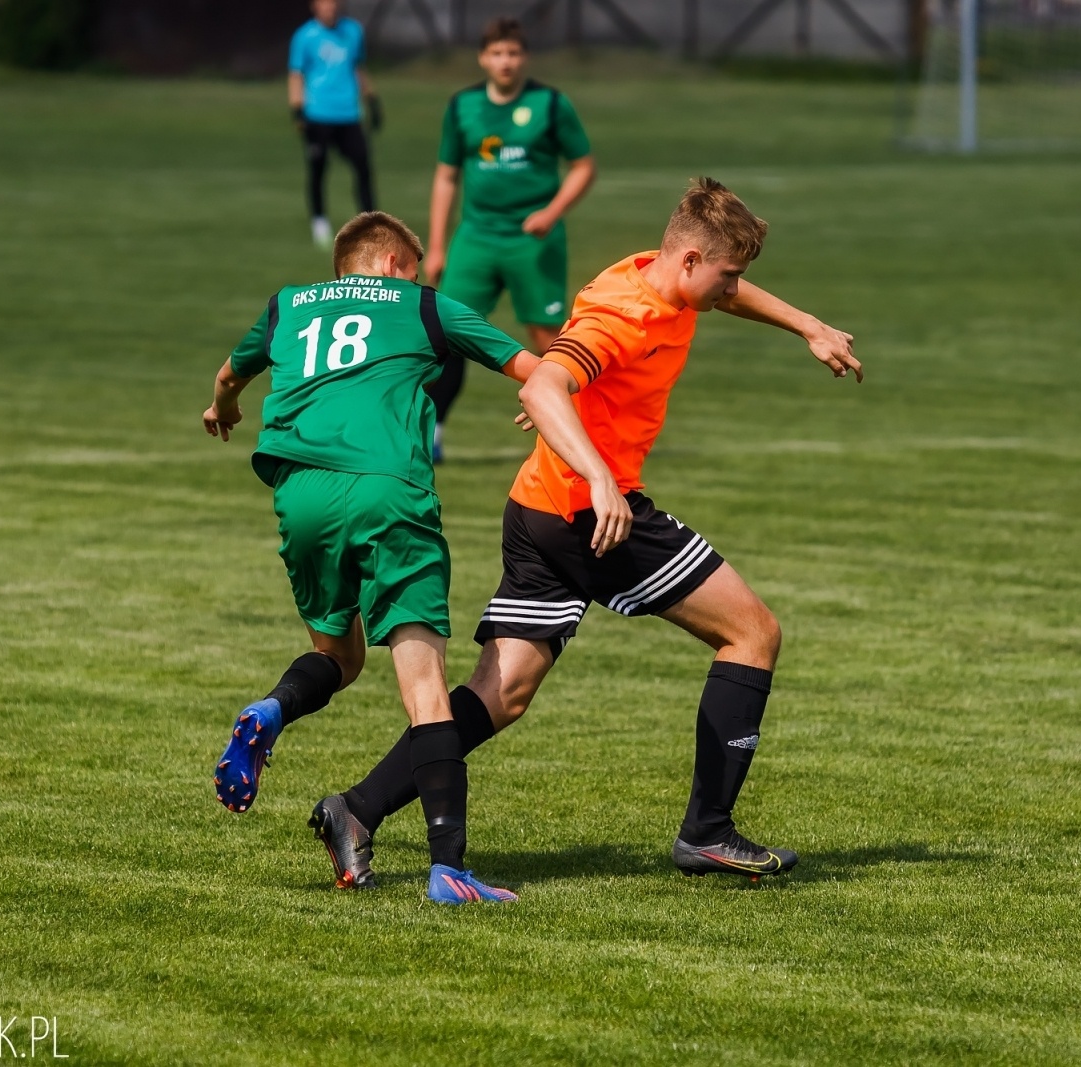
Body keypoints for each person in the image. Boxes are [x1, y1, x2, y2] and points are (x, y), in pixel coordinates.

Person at [312, 178, 860, 890]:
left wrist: (808, 325)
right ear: (690, 260)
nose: (734, 289)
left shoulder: (658, 273)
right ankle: (708, 832)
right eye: (728, 273)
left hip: (537, 506)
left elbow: (702, 304)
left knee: (503, 692)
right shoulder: (624, 314)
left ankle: (356, 808)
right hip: (591, 514)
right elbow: (541, 387)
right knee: (752, 633)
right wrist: (598, 472)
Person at [202, 211, 537, 904]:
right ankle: (449, 869)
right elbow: (530, 365)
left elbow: (228, 376)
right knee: (425, 686)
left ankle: (272, 709)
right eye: (412, 270)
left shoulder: (288, 304)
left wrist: (224, 410)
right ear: (389, 264)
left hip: (301, 494)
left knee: (339, 656)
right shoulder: (421, 305)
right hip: (388, 490)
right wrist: (545, 399)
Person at [422, 16, 597, 462]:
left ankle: (585, 432)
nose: (505, 62)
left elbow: (583, 166)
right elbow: (446, 176)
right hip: (476, 237)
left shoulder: (550, 104)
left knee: (548, 338)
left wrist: (551, 212)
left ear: (525, 58)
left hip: (532, 241)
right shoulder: (462, 106)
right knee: (447, 333)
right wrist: (437, 246)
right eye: (497, 53)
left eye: (513, 53)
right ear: (483, 58)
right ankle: (432, 432)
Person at [289, 0, 382, 249]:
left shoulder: (352, 31)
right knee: (318, 168)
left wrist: (371, 99)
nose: (329, 7)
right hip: (318, 113)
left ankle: (369, 223)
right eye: (324, 3)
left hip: (348, 113)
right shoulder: (304, 36)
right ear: (314, 6)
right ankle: (319, 221)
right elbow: (296, 74)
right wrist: (297, 110)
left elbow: (357, 68)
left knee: (363, 167)